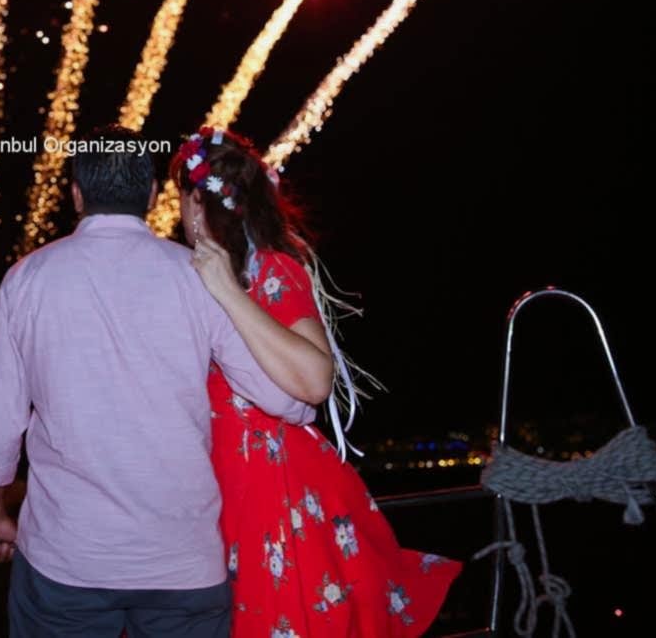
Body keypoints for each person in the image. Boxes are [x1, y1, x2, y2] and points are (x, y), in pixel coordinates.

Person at [0, 126, 317, 637]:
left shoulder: (27, 279)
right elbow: (286, 400)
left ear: (76, 195)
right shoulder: (197, 276)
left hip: (68, 562)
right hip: (184, 564)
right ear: (153, 195)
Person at [173, 127, 461, 637]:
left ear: (198, 203)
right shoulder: (184, 278)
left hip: (271, 491)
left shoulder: (272, 270)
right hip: (212, 491)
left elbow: (315, 380)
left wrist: (228, 292)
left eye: (180, 199)